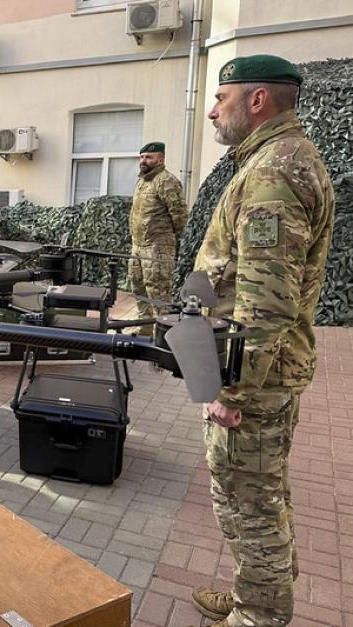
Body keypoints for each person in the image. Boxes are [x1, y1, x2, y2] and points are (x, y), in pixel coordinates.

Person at [190, 55, 335, 627]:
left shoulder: (275, 172)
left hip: (255, 380)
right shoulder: (274, 160)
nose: (210, 110)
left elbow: (265, 303)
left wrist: (233, 392)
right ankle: (257, 595)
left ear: (256, 101)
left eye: (220, 97)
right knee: (262, 495)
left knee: (249, 506)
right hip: (261, 371)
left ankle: (260, 616)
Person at [127, 141, 188, 335]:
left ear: (160, 159)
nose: (144, 160)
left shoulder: (166, 181)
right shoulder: (143, 181)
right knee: (138, 287)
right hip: (138, 246)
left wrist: (172, 243)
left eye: (149, 157)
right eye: (142, 157)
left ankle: (165, 335)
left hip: (157, 248)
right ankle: (145, 328)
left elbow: (180, 215)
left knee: (159, 293)